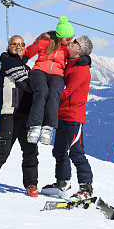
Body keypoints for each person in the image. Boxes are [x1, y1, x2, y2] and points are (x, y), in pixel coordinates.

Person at [0, 35, 39, 197]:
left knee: (30, 150)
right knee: (3, 149)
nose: (18, 47)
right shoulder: (9, 62)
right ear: (9, 46)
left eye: (21, 44)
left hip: (25, 115)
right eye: (14, 44)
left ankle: (31, 184)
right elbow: (26, 84)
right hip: (10, 114)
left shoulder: (25, 66)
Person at [42, 36, 95, 198]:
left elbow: (67, 92)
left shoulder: (81, 69)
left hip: (73, 117)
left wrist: (47, 96)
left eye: (74, 42)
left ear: (79, 49)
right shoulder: (71, 64)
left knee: (76, 152)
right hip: (63, 115)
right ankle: (62, 183)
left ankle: (86, 188)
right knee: (59, 150)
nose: (70, 43)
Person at [24, 16, 75, 145]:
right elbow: (29, 51)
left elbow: (76, 58)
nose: (70, 41)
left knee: (54, 93)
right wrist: (17, 59)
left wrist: (83, 61)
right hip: (39, 71)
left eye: (72, 37)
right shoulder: (45, 41)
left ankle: (48, 127)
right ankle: (35, 126)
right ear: (59, 36)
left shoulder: (68, 48)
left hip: (57, 74)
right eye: (67, 38)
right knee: (42, 91)